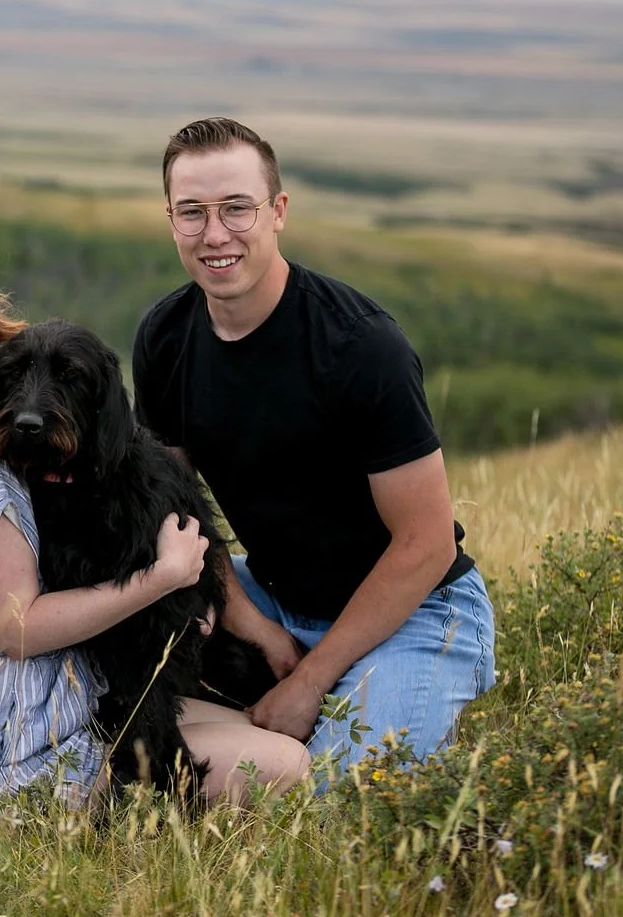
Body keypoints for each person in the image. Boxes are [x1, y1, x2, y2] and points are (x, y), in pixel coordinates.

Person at [0, 232, 311, 803]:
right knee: (287, 764)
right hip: (15, 733)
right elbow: (18, 628)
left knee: (253, 725)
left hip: (32, 696)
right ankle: (135, 818)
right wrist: (164, 579)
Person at [131, 116, 496, 773]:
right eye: (192, 212)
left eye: (236, 207)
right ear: (170, 219)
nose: (215, 234)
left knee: (343, 799)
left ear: (278, 211)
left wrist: (310, 679)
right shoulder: (165, 336)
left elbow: (427, 543)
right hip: (272, 593)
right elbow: (173, 509)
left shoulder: (360, 346)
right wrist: (255, 626)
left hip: (417, 608)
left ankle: (353, 711)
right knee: (125, 656)